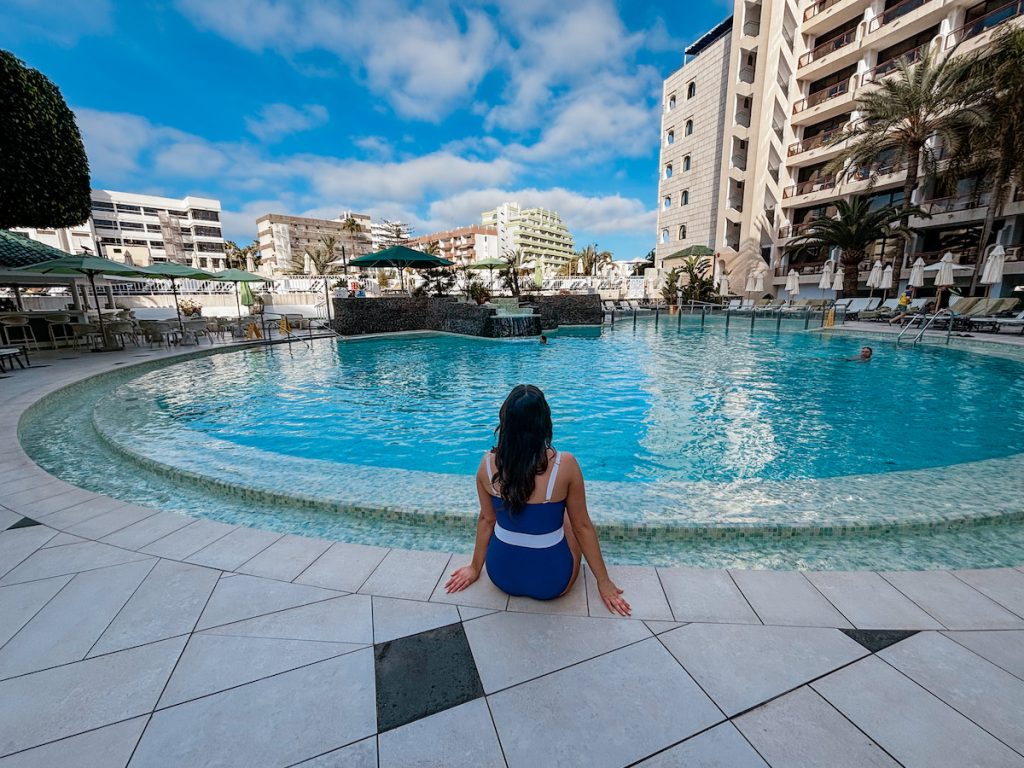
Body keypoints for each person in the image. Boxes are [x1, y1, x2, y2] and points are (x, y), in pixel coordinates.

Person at [445, 384, 630, 615]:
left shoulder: (486, 465)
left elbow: (486, 520)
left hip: (501, 575)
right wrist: (604, 582)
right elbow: (583, 528)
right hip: (552, 583)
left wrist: (474, 568)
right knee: (570, 517)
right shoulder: (566, 465)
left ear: (505, 422)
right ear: (544, 422)